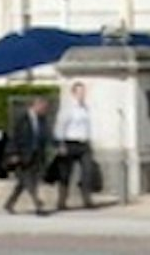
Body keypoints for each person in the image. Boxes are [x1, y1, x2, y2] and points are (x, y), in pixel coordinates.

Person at [3, 95, 51, 215]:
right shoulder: (22, 120)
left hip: (36, 155)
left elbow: (45, 137)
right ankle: (38, 205)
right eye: (43, 106)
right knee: (29, 181)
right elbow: (14, 138)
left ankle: (9, 203)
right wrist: (13, 153)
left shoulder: (42, 119)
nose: (45, 109)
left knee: (25, 182)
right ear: (35, 105)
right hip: (22, 155)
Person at [53, 81, 95, 209]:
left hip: (83, 143)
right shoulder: (68, 108)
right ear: (73, 93)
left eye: (83, 91)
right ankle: (61, 200)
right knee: (65, 173)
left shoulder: (86, 108)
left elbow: (88, 126)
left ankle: (87, 199)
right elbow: (60, 126)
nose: (82, 94)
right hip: (70, 142)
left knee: (88, 171)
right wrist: (60, 144)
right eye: (79, 92)